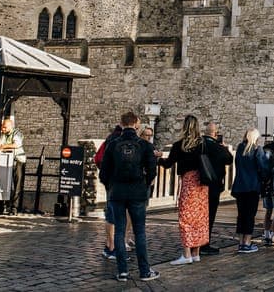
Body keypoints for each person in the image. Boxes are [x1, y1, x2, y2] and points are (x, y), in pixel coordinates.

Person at [99, 111, 159, 282]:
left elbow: (104, 172)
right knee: (139, 231)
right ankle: (144, 271)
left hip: (117, 191)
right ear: (136, 124)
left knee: (119, 231)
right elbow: (152, 170)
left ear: (122, 123)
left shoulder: (113, 144)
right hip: (137, 191)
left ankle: (122, 271)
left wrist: (110, 186)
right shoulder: (144, 145)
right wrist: (144, 184)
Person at [158, 115, 209, 265]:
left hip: (189, 182)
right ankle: (196, 252)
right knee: (200, 218)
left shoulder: (180, 145)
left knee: (186, 217)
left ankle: (186, 254)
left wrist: (158, 158)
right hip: (202, 184)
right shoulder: (203, 144)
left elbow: (168, 164)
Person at [230, 128, 269, 253]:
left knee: (241, 215)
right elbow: (263, 168)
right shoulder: (257, 150)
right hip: (252, 186)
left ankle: (241, 242)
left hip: (240, 186)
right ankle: (247, 242)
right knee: (250, 215)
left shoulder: (240, 149)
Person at [200, 120, 233, 254]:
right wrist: (223, 147)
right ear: (215, 134)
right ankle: (204, 243)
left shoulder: (199, 145)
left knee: (199, 215)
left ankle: (194, 242)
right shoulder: (218, 148)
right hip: (213, 185)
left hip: (199, 184)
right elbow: (229, 160)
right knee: (209, 216)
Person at [96, 124, 123, 260]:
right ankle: (112, 247)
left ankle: (110, 246)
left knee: (112, 213)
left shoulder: (110, 139)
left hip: (111, 181)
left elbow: (99, 159)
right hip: (117, 182)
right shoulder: (118, 140)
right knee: (114, 215)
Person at [0, 117, 26, 215]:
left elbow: (16, 144)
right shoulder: (3, 134)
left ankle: (14, 208)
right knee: (3, 183)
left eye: (5, 127)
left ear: (10, 126)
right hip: (4, 160)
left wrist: (3, 147)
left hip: (17, 161)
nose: (3, 129)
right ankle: (2, 205)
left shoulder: (17, 133)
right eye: (2, 127)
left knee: (17, 184)